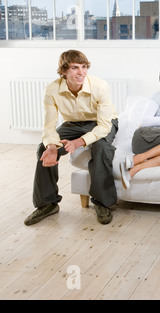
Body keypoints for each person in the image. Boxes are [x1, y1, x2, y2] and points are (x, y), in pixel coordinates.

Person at [24, 50, 119, 226]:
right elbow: (49, 127)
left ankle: (102, 202)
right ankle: (47, 204)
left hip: (102, 122)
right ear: (63, 71)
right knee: (43, 149)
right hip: (73, 124)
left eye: (84, 67)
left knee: (102, 148)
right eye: (75, 68)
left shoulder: (100, 86)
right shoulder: (52, 89)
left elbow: (105, 126)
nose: (81, 72)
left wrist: (79, 142)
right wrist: (52, 147)